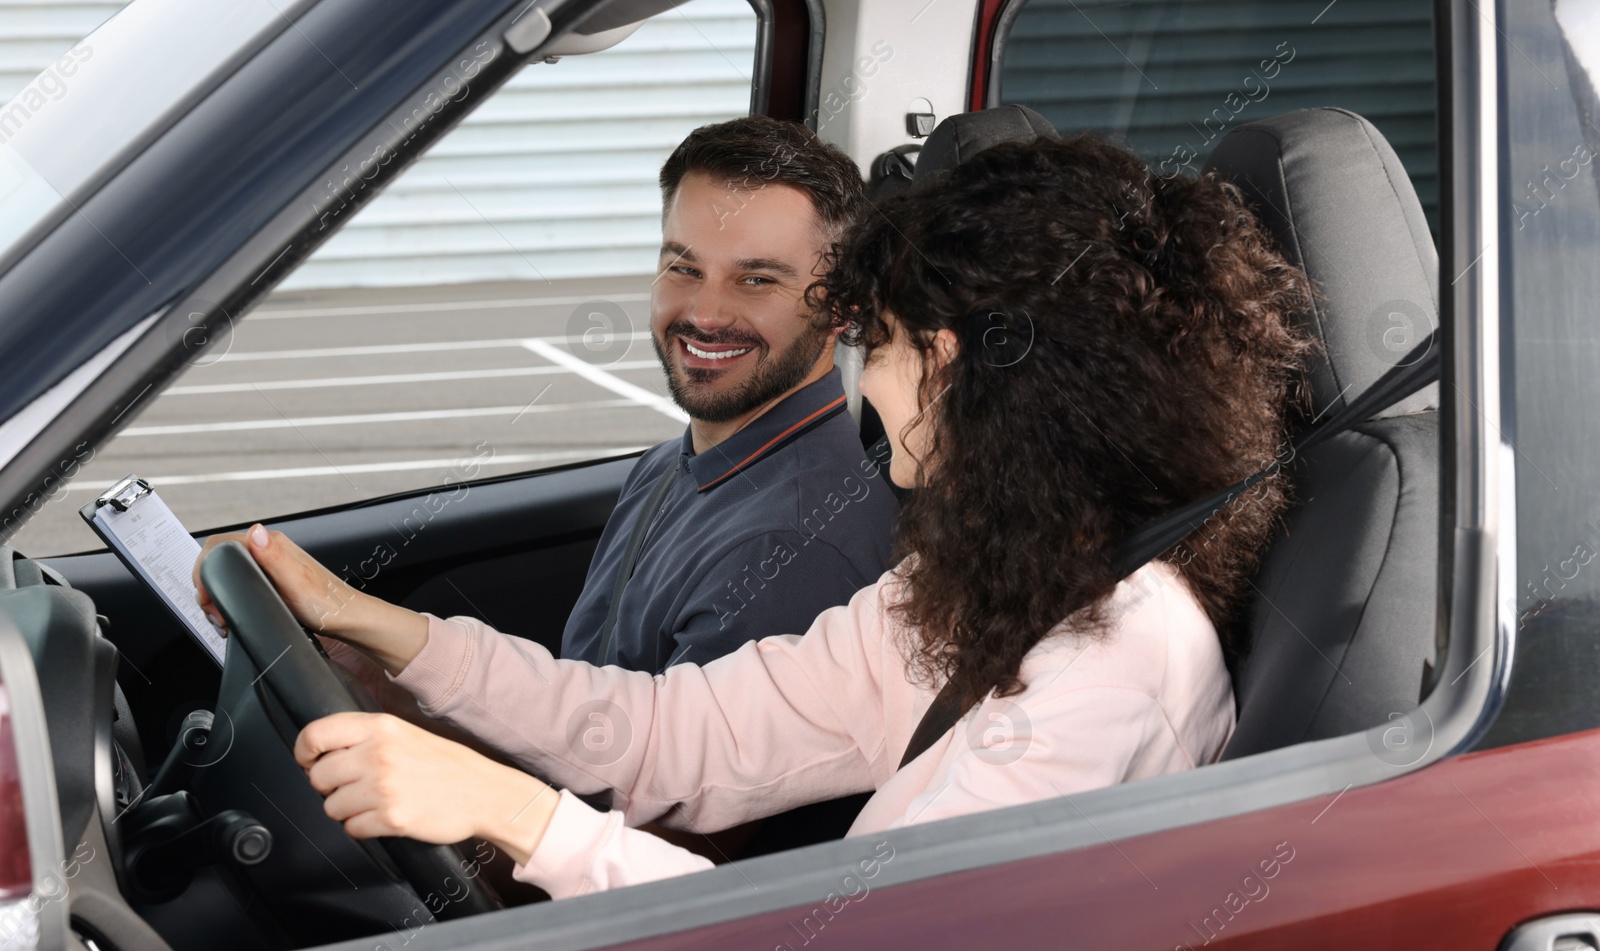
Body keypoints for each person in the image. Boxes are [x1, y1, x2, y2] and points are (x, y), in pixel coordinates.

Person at [195, 132, 1313, 901]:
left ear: (963, 367)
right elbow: (678, 732)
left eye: (880, 345)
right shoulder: (998, 586)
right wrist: (398, 634)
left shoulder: (1110, 672)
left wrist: (525, 820)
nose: (864, 385)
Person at [560, 115, 897, 675]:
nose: (705, 314)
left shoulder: (789, 546)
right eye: (684, 267)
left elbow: (657, 763)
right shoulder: (669, 464)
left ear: (842, 306)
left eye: (757, 279)